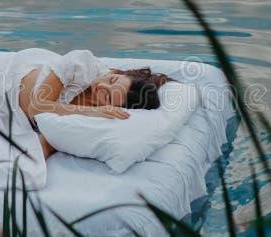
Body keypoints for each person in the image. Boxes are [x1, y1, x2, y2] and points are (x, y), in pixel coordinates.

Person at [16, 49, 177, 160]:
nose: (101, 86)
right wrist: (88, 111)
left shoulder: (101, 116)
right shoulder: (82, 63)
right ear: (120, 74)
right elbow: (36, 107)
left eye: (107, 97)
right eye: (112, 80)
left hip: (14, 111)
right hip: (8, 79)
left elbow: (49, 141)